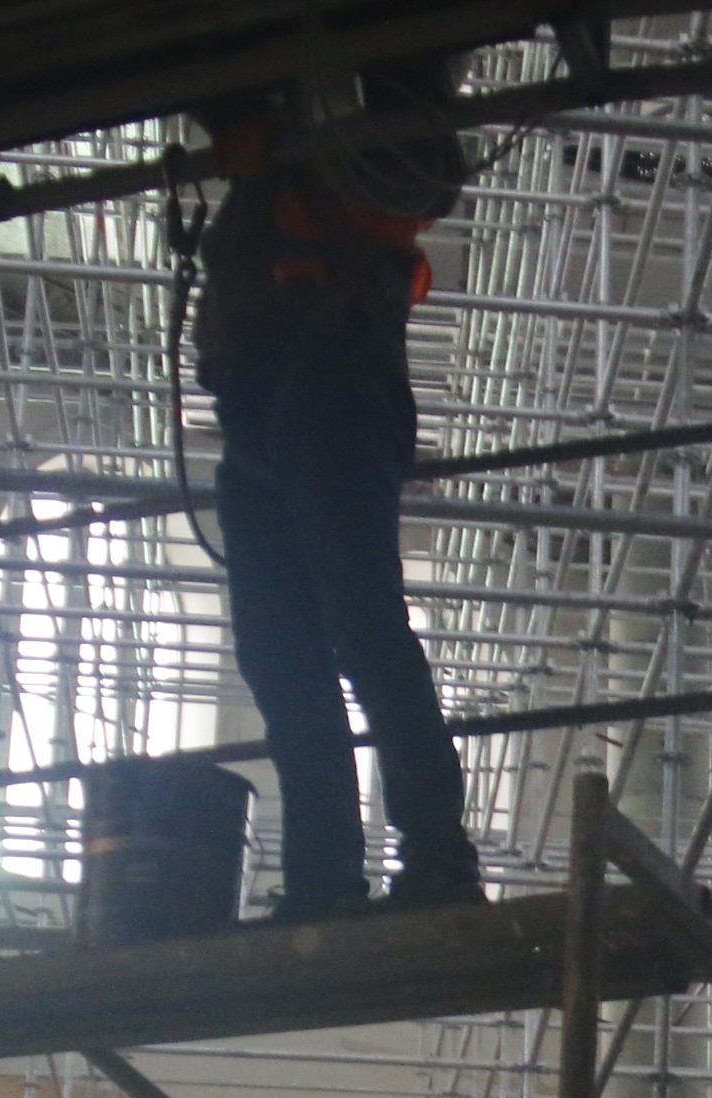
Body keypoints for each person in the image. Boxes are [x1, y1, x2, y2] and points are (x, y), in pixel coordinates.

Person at [191, 59, 485, 922]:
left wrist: (286, 152)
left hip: (335, 393)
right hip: (258, 416)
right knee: (279, 656)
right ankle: (322, 877)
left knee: (364, 633)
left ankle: (439, 860)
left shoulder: (376, 138)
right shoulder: (268, 174)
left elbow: (429, 174)